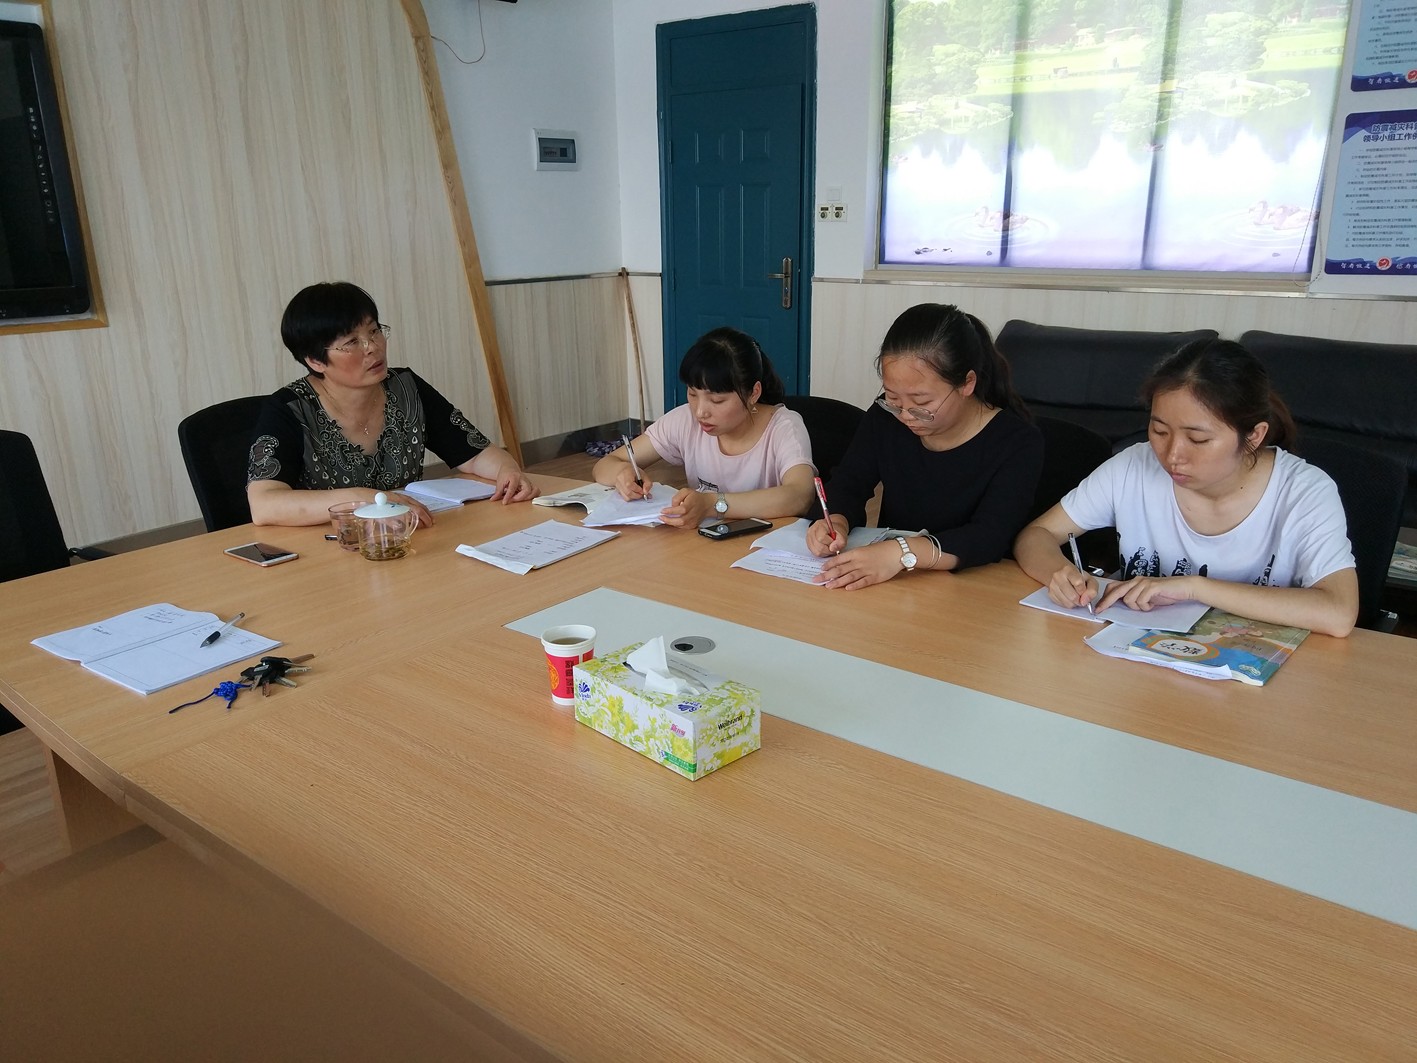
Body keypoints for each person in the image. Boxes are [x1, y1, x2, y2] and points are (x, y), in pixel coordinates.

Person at [1013, 338, 1358, 637]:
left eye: (1197, 439)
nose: (1172, 455)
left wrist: (1195, 588)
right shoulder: (1134, 466)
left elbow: (1339, 612)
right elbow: (1037, 534)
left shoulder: (1304, 492)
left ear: (1254, 436)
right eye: (1159, 431)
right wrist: (1061, 574)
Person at [247, 282, 537, 526]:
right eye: (351, 342)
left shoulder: (406, 389)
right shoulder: (289, 409)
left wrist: (507, 470)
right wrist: (365, 500)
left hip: (407, 537)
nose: (372, 347)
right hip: (332, 547)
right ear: (315, 361)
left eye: (374, 331)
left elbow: (474, 453)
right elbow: (264, 504)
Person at [806, 303, 1043, 587]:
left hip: (975, 585)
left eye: (921, 402)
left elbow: (989, 536)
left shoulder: (1016, 442)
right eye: (893, 398)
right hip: (895, 581)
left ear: (967, 383)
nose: (905, 415)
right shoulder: (886, 419)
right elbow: (849, 484)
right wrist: (835, 520)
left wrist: (903, 552)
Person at [593, 327, 815, 527]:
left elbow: (799, 496)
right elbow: (606, 464)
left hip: (761, 546)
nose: (700, 412)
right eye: (692, 394)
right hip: (701, 542)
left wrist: (712, 505)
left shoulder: (784, 427)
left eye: (717, 400)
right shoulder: (685, 420)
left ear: (753, 393)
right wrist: (622, 473)